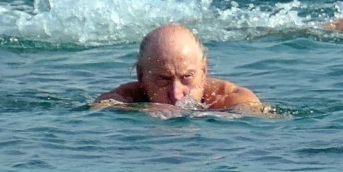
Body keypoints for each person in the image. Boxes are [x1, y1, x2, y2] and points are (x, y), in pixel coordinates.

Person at [92, 23, 270, 117]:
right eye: (163, 79)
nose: (176, 95)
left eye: (186, 77)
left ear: (203, 72)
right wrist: (140, 111)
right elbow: (99, 110)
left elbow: (258, 117)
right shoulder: (128, 98)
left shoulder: (227, 98)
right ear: (141, 76)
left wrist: (213, 116)